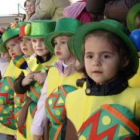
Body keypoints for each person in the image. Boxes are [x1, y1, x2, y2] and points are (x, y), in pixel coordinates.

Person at [65, 19, 140, 139]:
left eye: (106, 56)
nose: (96, 62)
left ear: (124, 60)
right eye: (90, 56)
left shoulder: (137, 99)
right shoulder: (72, 99)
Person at [31, 17, 83, 140]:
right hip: (55, 133)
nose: (57, 47)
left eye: (63, 42)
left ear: (76, 43)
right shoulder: (53, 72)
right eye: (55, 43)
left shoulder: (85, 72)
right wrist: (37, 129)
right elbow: (44, 100)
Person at [14, 20, 57, 140]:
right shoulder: (29, 63)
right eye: (34, 41)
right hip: (29, 114)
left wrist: (48, 76)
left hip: (48, 116)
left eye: (42, 40)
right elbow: (17, 87)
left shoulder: (58, 63)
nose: (38, 45)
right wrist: (23, 82)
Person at [0, 27, 23, 140]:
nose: (11, 50)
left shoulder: (26, 64)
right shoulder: (12, 63)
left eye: (13, 45)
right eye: (9, 48)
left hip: (18, 119)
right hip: (7, 120)